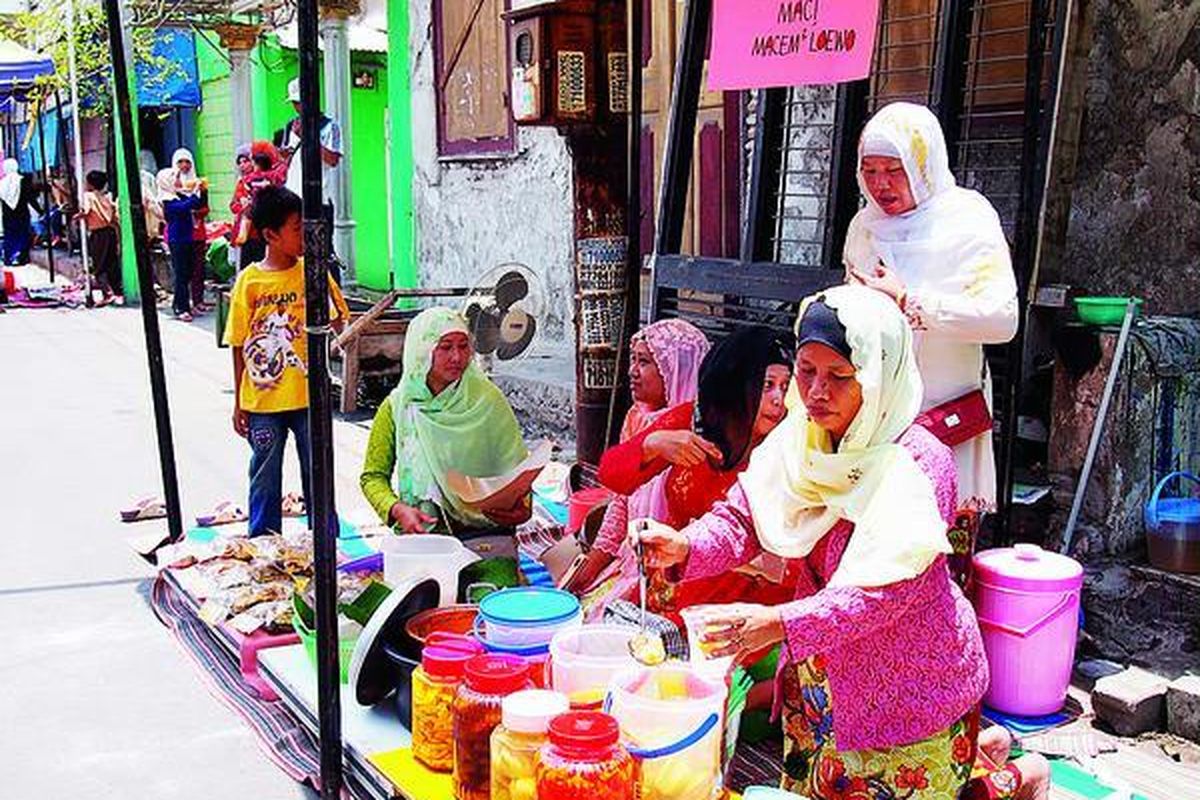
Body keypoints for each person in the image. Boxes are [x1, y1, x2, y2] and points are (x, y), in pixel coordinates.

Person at [639, 285, 989, 799]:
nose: (816, 392)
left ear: (877, 375)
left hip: (908, 693)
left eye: (839, 376)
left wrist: (779, 623)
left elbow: (884, 594)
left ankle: (1010, 778)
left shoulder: (916, 464)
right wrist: (685, 545)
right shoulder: (800, 440)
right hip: (818, 682)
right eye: (806, 371)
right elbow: (742, 517)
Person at [844, 102, 1018, 574]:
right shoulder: (863, 227)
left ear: (923, 165)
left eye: (894, 170)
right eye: (870, 170)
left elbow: (1002, 320)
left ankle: (947, 621)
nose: (881, 184)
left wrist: (911, 302)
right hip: (876, 422)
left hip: (947, 419)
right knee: (875, 558)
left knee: (941, 555)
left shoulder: (966, 218)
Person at [594, 325, 797, 621]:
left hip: (746, 609)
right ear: (735, 384)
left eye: (786, 386)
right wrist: (653, 444)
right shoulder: (696, 421)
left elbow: (796, 562)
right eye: (767, 385)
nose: (779, 399)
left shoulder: (793, 445)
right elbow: (611, 475)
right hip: (672, 588)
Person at [562, 318, 711, 617]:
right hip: (633, 558)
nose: (632, 371)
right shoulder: (636, 417)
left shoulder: (701, 431)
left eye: (644, 362)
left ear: (677, 369)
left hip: (678, 573)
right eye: (633, 360)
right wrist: (590, 566)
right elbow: (621, 501)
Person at [224, 185, 349, 537]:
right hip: (263, 402)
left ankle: (325, 540)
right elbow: (237, 343)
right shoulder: (249, 281)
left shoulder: (313, 271)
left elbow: (339, 321)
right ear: (270, 235)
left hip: (310, 398)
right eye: (297, 229)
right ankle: (263, 541)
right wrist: (238, 402)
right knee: (264, 474)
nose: (305, 235)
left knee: (318, 470)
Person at [359, 307, 533, 537]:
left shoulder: (487, 401)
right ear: (422, 351)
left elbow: (518, 473)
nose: (457, 357)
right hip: (423, 535)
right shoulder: (399, 407)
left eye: (463, 346)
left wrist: (522, 510)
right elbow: (373, 477)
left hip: (484, 532)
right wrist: (397, 509)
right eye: (445, 347)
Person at [276, 77, 343, 275]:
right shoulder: (291, 126)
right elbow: (286, 159)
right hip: (292, 196)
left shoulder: (329, 126)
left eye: (300, 102)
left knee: (322, 251)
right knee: (294, 247)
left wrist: (308, 137)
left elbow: (332, 159)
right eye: (295, 103)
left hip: (319, 197)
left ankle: (330, 289)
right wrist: (284, 153)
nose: (298, 107)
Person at [157, 164, 204, 321]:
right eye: (175, 178)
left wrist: (200, 191)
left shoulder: (178, 196)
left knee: (188, 271)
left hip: (187, 237)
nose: (178, 181)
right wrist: (194, 191)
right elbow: (185, 206)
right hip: (177, 240)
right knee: (181, 274)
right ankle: (180, 308)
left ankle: (183, 304)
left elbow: (196, 203)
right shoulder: (167, 200)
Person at [231, 141, 287, 270]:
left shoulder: (252, 181)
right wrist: (242, 207)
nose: (243, 165)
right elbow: (233, 206)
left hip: (261, 231)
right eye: (240, 162)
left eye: (247, 161)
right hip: (252, 233)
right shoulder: (245, 182)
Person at [170, 149, 211, 312]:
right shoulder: (170, 185)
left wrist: (195, 211)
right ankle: (181, 305)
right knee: (182, 271)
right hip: (179, 233)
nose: (184, 165)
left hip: (197, 231)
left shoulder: (200, 185)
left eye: (187, 162)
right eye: (180, 162)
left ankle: (197, 300)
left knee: (198, 269)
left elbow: (205, 207)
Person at [75, 170, 122, 305]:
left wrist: (77, 217)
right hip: (111, 232)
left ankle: (107, 293)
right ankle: (117, 291)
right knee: (112, 263)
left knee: (98, 264)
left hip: (98, 234)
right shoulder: (107, 197)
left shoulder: (88, 196)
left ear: (90, 184)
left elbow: (86, 210)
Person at [1, 158, 42, 266]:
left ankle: (9, 258)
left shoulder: (2, 184)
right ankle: (21, 258)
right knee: (23, 235)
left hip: (8, 215)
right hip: (22, 213)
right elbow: (30, 198)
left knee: (10, 236)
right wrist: (40, 211)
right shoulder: (22, 181)